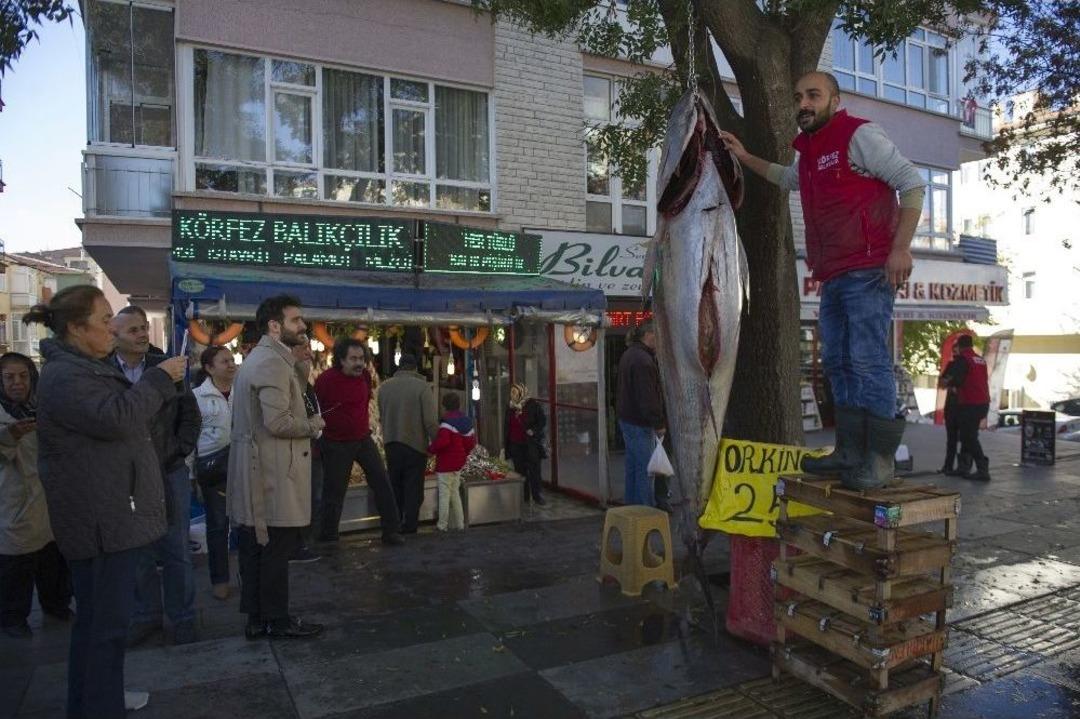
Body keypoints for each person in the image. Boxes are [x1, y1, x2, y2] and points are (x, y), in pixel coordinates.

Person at [720, 71, 925, 490]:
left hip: (868, 269)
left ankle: (880, 460)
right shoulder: (810, 150)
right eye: (799, 97)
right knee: (837, 361)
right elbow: (788, 179)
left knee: (867, 359)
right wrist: (744, 157)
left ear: (835, 99)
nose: (804, 104)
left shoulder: (859, 135)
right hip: (832, 274)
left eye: (814, 95)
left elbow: (912, 183)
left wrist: (900, 249)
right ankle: (849, 451)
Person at [27, 285, 186, 718]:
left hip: (107, 518)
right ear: (77, 329)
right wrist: (157, 378)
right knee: (105, 629)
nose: (111, 329)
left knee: (100, 627)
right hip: (99, 525)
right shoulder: (67, 376)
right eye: (103, 321)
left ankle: (94, 702)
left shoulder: (81, 368)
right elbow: (118, 418)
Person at [227, 295, 325, 640]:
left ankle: (257, 618)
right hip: (271, 473)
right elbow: (280, 423)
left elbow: (286, 395)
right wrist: (313, 424)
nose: (303, 326)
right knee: (275, 550)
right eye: (296, 320)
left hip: (259, 470)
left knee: (257, 548)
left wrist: (299, 365)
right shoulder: (270, 363)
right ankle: (278, 619)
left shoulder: (266, 358)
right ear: (274, 326)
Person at [112, 306, 201, 647]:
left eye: (143, 327)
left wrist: (179, 450)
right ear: (115, 335)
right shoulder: (105, 372)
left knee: (176, 547)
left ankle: (183, 618)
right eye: (132, 329)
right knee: (138, 549)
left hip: (168, 469)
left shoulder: (166, 367)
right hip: (128, 475)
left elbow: (190, 415)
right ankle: (146, 615)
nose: (141, 334)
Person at [0, 352, 72, 638]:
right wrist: (10, 436)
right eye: (9, 377)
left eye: (23, 376)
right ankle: (12, 618)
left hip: (48, 498)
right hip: (14, 500)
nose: (17, 383)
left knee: (52, 560)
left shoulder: (43, 407)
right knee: (15, 566)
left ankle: (56, 604)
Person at [314, 338, 405, 546]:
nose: (359, 363)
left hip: (362, 438)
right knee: (334, 491)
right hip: (336, 442)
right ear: (341, 360)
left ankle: (392, 530)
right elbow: (314, 408)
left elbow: (364, 402)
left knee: (382, 481)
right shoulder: (325, 380)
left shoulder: (364, 376)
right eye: (353, 359)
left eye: (361, 358)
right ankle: (328, 536)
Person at [192, 345, 236, 600]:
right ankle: (220, 579)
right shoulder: (198, 397)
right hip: (213, 468)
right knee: (218, 525)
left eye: (232, 360)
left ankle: (249, 575)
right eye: (224, 361)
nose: (231, 365)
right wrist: (191, 475)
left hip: (242, 463)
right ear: (209, 368)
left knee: (250, 523)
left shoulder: (242, 392)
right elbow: (190, 438)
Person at [378, 353, 438, 534]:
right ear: (415, 368)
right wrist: (437, 443)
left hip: (390, 443)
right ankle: (410, 526)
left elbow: (381, 414)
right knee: (413, 489)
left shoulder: (384, 387)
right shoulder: (422, 387)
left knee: (395, 486)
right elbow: (430, 421)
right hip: (414, 445)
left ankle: (394, 524)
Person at [616, 322, 667, 508]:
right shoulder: (643, 361)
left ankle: (632, 506)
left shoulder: (630, 355)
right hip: (640, 422)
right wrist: (658, 422)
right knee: (646, 468)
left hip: (627, 418)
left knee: (633, 466)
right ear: (648, 335)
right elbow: (648, 397)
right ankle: (646, 509)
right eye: (657, 334)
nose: (660, 339)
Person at [289, 342, 322, 563]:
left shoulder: (307, 387)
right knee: (296, 501)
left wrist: (316, 426)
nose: (309, 356)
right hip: (294, 455)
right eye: (304, 353)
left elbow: (316, 415)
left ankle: (305, 542)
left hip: (312, 453)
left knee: (311, 500)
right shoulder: (286, 386)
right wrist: (312, 426)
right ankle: (294, 546)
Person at [944, 334, 992, 481]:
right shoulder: (980, 360)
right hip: (983, 403)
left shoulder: (963, 360)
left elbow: (957, 380)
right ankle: (963, 467)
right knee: (968, 434)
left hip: (970, 403)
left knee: (968, 437)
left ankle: (982, 468)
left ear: (960, 346)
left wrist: (950, 383)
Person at [428, 393, 476, 531]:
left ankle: (442, 525)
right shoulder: (467, 421)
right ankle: (460, 524)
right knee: (455, 492)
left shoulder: (446, 423)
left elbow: (443, 442)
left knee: (444, 494)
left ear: (445, 406)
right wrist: (463, 455)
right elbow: (471, 443)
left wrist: (430, 449)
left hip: (446, 464)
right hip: (458, 463)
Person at [504, 383, 547, 506]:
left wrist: (533, 431)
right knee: (520, 470)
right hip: (515, 443)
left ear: (521, 392)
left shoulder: (532, 405)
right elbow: (507, 426)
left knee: (534, 470)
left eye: (514, 392)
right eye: (511, 392)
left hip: (530, 444)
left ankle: (537, 495)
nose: (512, 395)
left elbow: (542, 421)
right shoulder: (510, 407)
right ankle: (525, 496)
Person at [937, 345, 963, 475]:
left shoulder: (965, 364)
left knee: (964, 438)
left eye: (956, 350)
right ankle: (948, 466)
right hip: (952, 406)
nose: (954, 353)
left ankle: (962, 466)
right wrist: (949, 382)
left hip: (962, 405)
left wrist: (949, 381)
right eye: (953, 351)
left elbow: (957, 383)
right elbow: (942, 382)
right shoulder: (952, 365)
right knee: (951, 438)